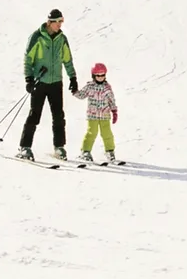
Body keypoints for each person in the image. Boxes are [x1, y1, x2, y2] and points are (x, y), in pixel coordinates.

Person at [18, 9, 78, 161]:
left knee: (58, 116)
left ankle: (59, 147)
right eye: (57, 22)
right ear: (50, 22)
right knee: (34, 115)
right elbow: (28, 59)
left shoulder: (62, 39)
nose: (60, 25)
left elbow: (67, 59)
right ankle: (25, 147)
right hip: (40, 82)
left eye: (61, 21)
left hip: (56, 82)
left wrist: (73, 78)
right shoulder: (37, 37)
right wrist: (29, 79)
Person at [72, 62, 119, 164]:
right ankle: (85, 151)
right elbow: (82, 95)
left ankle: (110, 151)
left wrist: (114, 111)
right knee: (91, 132)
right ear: (93, 76)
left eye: (103, 75)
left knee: (107, 133)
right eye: (98, 75)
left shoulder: (107, 88)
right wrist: (75, 91)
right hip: (92, 115)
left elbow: (111, 100)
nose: (101, 77)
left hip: (105, 115)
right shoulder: (90, 86)